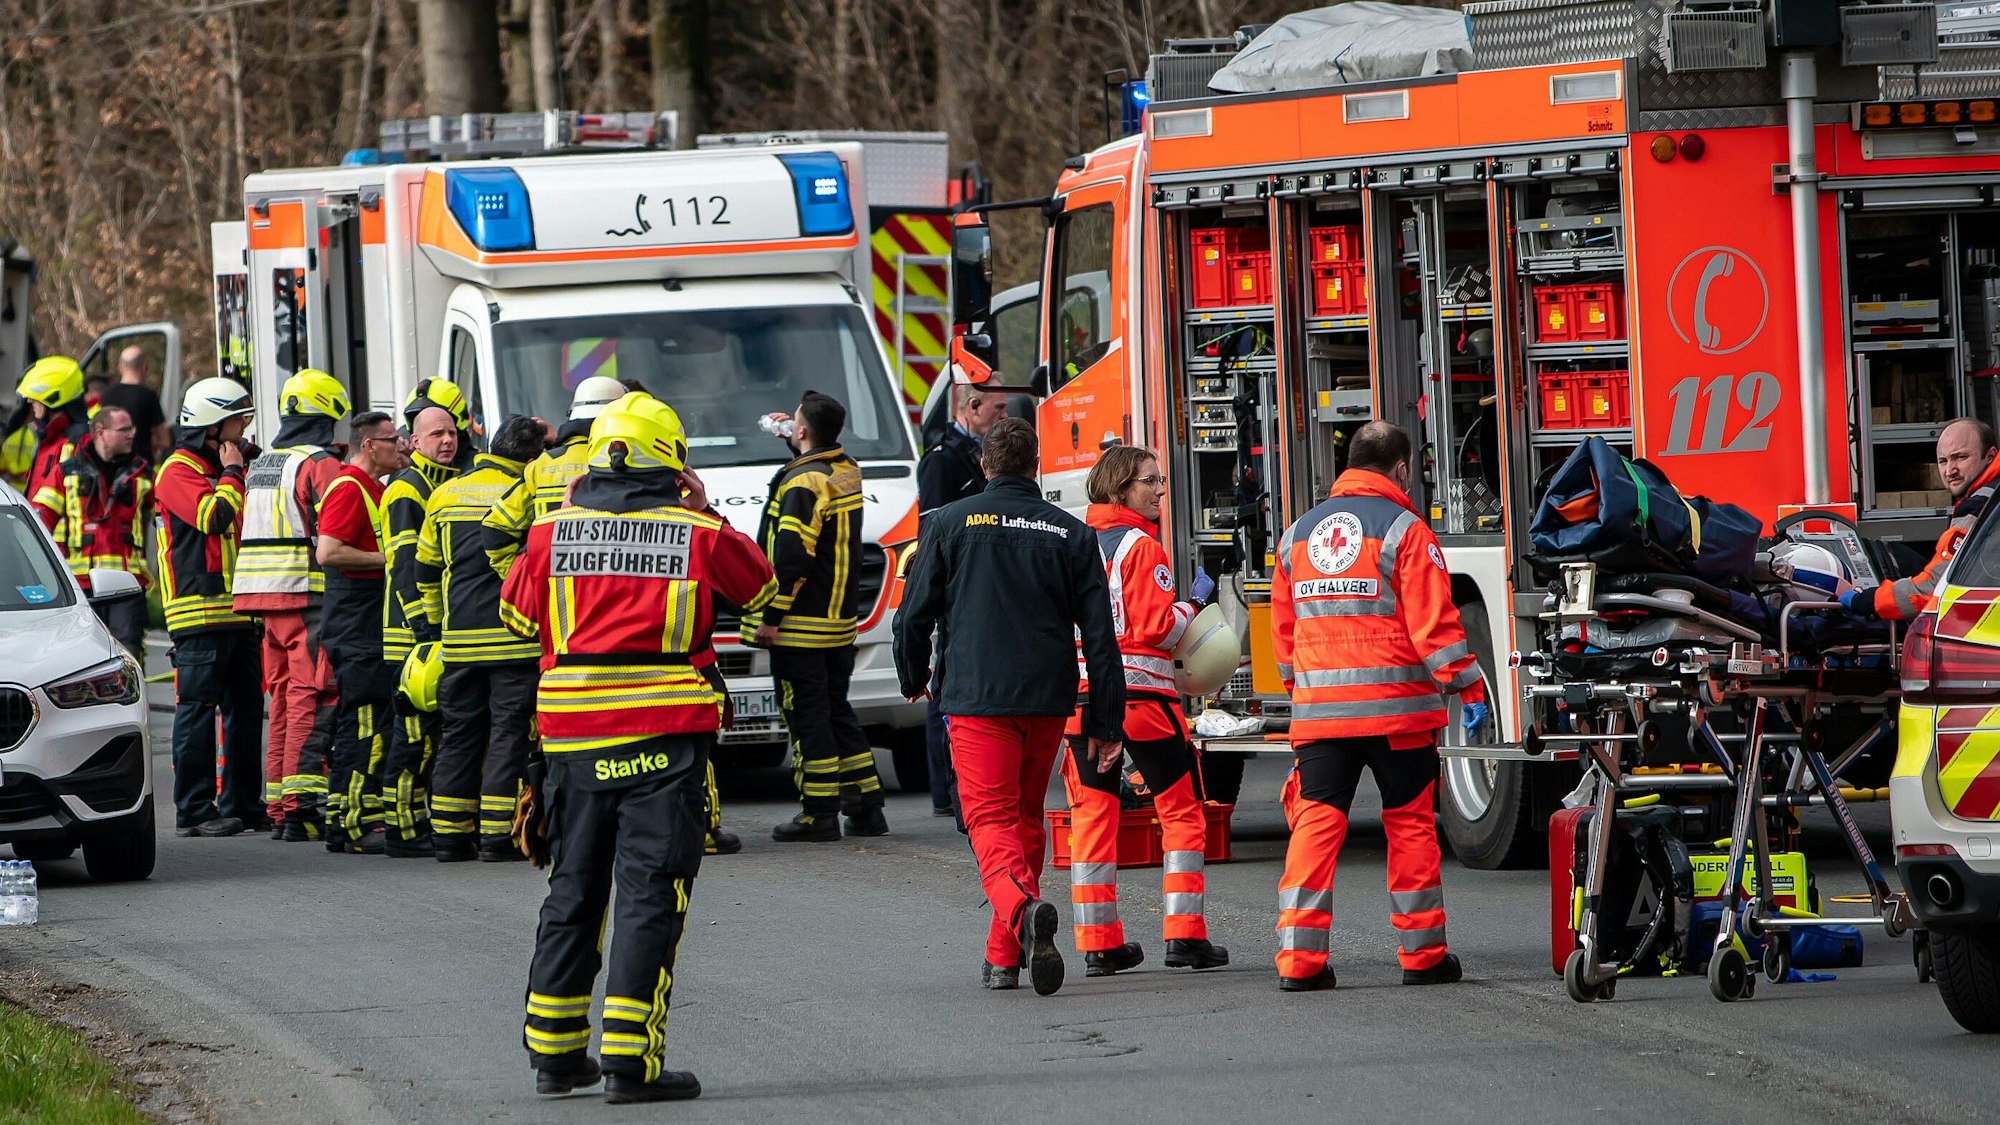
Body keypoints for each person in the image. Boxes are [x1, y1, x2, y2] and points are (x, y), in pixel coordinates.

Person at [501, 392, 777, 1104]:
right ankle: (631, 1061)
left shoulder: (550, 530)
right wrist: (707, 507)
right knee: (650, 894)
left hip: (570, 738)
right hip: (664, 737)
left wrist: (565, 514)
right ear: (673, 463)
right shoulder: (694, 529)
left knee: (574, 888)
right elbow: (759, 584)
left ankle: (556, 1056)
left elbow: (512, 611)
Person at [892, 417, 1125, 996]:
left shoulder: (946, 523)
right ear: (1036, 466)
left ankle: (1022, 915)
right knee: (1022, 822)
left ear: (985, 466)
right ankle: (1003, 957)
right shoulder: (1071, 533)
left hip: (977, 698)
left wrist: (912, 677)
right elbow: (1101, 637)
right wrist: (1105, 721)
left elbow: (911, 617)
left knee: (988, 821)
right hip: (1047, 700)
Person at [1269, 421, 1483, 992]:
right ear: (1402, 468)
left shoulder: (1296, 535)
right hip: (1398, 714)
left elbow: (1284, 641)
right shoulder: (1406, 530)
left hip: (1322, 715)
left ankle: (1298, 961)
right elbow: (1434, 625)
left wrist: (1306, 693)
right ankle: (1423, 956)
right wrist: (1467, 684)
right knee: (1410, 825)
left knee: (1315, 826)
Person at [1059, 445, 1230, 978]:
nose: (1160, 490)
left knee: (1092, 818)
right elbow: (1158, 628)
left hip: (1082, 702)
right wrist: (1195, 604)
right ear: (1119, 489)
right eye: (1149, 481)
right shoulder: (1143, 547)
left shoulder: (1070, 543)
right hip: (1144, 703)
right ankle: (1184, 937)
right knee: (1181, 812)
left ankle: (1099, 943)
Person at [748, 390, 886, 842]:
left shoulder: (803, 484)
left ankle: (818, 814)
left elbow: (792, 559)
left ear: (803, 430)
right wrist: (796, 439)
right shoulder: (844, 468)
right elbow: (817, 462)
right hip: (839, 622)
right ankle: (866, 808)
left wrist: (770, 615)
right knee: (836, 711)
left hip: (801, 627)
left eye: (797, 423)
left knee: (807, 719)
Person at [417, 414, 545, 862]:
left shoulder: (444, 493)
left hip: (460, 642)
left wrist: (437, 628)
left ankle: (450, 837)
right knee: (508, 734)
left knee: (459, 734)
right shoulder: (527, 494)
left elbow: (426, 568)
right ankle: (497, 836)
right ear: (530, 458)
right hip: (514, 640)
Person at [234, 370, 348, 839]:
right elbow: (340, 520)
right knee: (310, 692)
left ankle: (280, 805)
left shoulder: (264, 461)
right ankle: (301, 804)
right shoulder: (318, 463)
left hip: (262, 596)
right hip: (304, 592)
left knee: (281, 696)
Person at [154, 377, 264, 838]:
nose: (242, 431)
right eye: (237, 422)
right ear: (212, 427)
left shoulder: (215, 469)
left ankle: (240, 802)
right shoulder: (176, 471)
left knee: (246, 708)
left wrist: (237, 470)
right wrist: (234, 472)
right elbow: (214, 518)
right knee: (197, 710)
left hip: (237, 612)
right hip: (198, 615)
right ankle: (195, 811)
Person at [315, 411, 406, 854]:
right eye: (393, 440)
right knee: (362, 724)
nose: (400, 445)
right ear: (370, 446)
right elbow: (328, 551)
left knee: (371, 723)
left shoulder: (375, 488)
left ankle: (361, 818)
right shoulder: (349, 487)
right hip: (356, 626)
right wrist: (389, 560)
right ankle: (347, 824)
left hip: (368, 624)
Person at [915, 386, 1007, 818]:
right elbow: (933, 531)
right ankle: (946, 791)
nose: (1004, 413)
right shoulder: (942, 459)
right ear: (972, 407)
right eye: (998, 407)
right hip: (957, 584)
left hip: (978, 581)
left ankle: (966, 782)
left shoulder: (974, 452)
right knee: (946, 685)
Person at [374, 405, 460, 856]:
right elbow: (405, 566)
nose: (447, 440)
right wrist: (425, 629)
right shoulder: (409, 489)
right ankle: (402, 830)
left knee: (434, 735)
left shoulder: (446, 484)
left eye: (451, 432)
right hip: (411, 634)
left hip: (438, 631)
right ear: (415, 441)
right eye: (437, 434)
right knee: (412, 737)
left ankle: (416, 821)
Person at [1844, 417, 2000, 622]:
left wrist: (1865, 601)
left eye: (1960, 457)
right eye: (1943, 461)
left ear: (1990, 456)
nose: (1950, 470)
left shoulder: (1981, 505)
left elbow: (1933, 589)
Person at [29, 406, 152, 655]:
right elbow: (38, 526)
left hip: (126, 584)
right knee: (81, 653)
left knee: (128, 650)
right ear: (100, 432)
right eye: (124, 429)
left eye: (132, 428)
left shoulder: (143, 475)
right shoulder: (66, 473)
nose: (132, 434)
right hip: (80, 584)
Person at [9, 356, 89, 503]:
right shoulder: (47, 436)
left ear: (54, 397)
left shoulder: (79, 441)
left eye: (35, 396)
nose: (29, 401)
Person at [95, 346, 171, 465]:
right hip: (141, 470)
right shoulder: (149, 396)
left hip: (111, 469)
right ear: (144, 366)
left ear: (120, 367)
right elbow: (165, 440)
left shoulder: (106, 396)